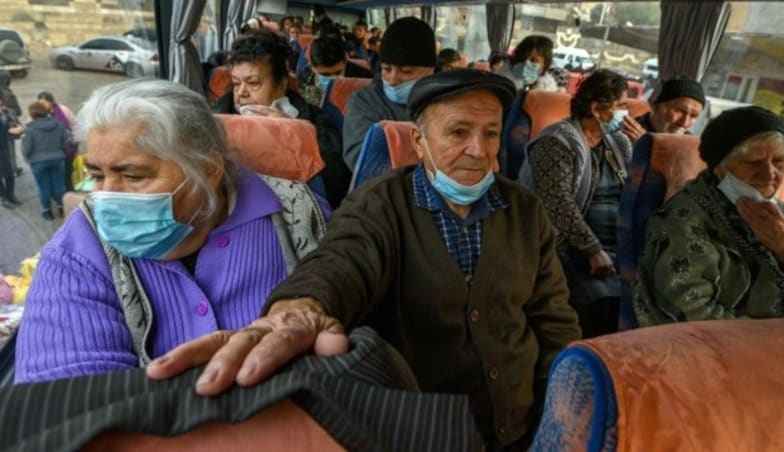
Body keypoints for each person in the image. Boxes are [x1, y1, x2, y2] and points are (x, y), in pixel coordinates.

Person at [147, 69, 581, 451]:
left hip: (523, 428)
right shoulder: (380, 204)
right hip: (420, 432)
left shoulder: (524, 209)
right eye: (457, 133)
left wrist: (560, 415)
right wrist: (301, 310)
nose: (478, 150)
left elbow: (552, 318)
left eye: (490, 133)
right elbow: (343, 261)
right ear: (419, 141)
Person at [14, 79, 329, 384]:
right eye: (96, 176)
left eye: (134, 176)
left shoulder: (300, 216)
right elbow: (73, 409)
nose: (108, 197)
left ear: (208, 170)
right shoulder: (76, 252)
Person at [635, 106, 784, 325]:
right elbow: (690, 315)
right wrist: (774, 338)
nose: (770, 174)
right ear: (720, 167)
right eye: (754, 163)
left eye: (779, 161)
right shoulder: (685, 218)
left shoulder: (779, 211)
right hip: (729, 348)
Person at [517, 69, 637, 338]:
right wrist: (593, 249)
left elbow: (638, 194)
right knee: (604, 305)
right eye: (620, 107)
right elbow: (558, 204)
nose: (625, 114)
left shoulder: (619, 142)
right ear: (596, 109)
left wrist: (645, 149)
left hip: (618, 245)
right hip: (566, 243)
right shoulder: (555, 141)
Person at [213, 32, 345, 206]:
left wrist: (294, 134)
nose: (241, 93)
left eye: (253, 83)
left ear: (281, 85)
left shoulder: (318, 123)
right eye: (236, 83)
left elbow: (337, 188)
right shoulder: (215, 124)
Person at [342, 17, 436, 170]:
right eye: (386, 69)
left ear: (430, 71)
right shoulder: (364, 101)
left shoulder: (446, 102)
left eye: (406, 72)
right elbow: (361, 159)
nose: (392, 80)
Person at [22, 101, 70, 220]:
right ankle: (61, 207)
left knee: (44, 187)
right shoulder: (58, 125)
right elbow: (66, 142)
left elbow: (26, 149)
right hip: (58, 159)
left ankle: (47, 211)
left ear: (32, 115)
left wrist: (28, 159)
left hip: (38, 162)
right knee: (59, 185)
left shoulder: (30, 129)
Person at [298, 35, 373, 107]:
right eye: (325, 75)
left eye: (337, 72)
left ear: (345, 61)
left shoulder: (364, 79)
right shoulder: (303, 79)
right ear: (312, 67)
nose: (332, 78)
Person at [626, 76, 706, 143]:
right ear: (655, 107)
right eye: (680, 111)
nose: (685, 123)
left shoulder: (692, 144)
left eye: (694, 116)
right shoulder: (627, 134)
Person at [38, 91, 79, 191]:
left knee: (68, 174)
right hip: (52, 152)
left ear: (51, 101)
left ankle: (69, 192)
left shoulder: (63, 110)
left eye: (44, 103)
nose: (42, 106)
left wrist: (75, 140)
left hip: (68, 148)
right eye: (40, 104)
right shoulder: (39, 114)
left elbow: (74, 125)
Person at [0, 95, 24, 208]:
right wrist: (9, 129)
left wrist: (16, 127)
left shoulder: (7, 111)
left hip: (5, 146)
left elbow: (15, 122)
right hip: (3, 143)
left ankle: (10, 196)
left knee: (10, 174)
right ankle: (4, 198)